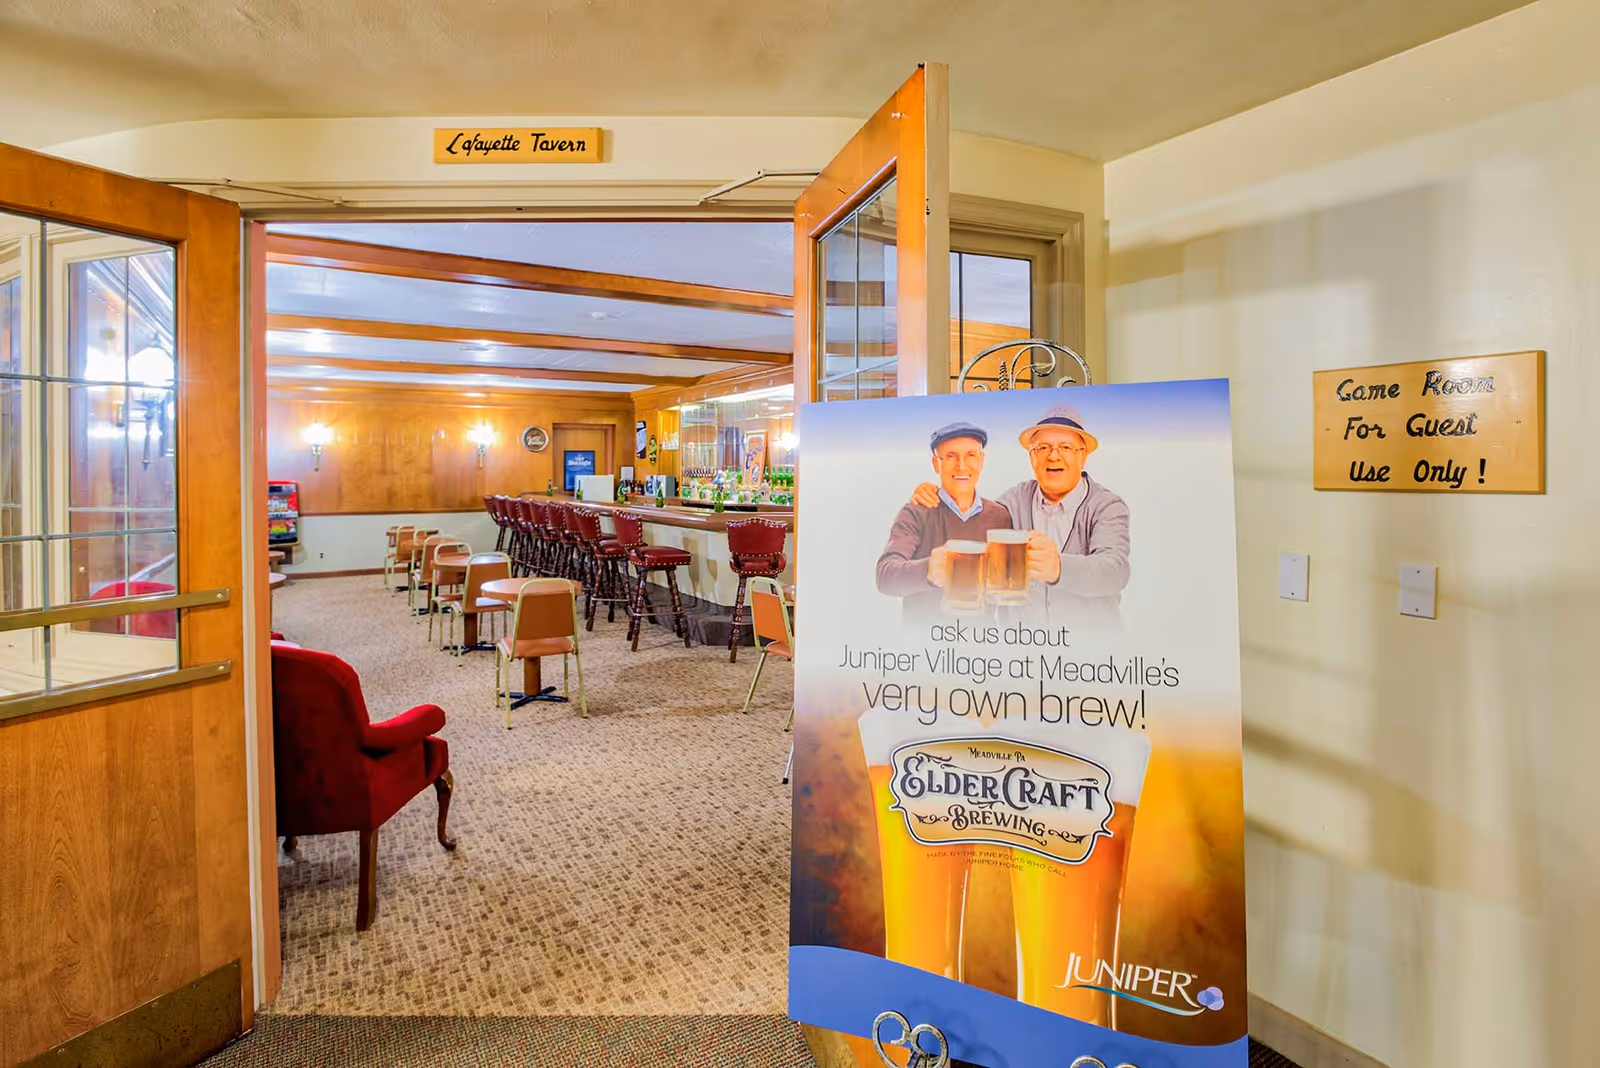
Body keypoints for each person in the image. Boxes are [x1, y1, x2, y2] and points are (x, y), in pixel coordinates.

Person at [910, 404, 1129, 627]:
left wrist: (1059, 568)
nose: (1053, 456)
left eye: (1066, 447)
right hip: (1022, 650)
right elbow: (972, 528)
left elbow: (1116, 570)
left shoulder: (1106, 505)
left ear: (1083, 457)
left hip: (1092, 654)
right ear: (1031, 457)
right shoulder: (1013, 501)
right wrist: (938, 496)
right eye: (1042, 448)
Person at [875, 421, 1012, 621]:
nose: (962, 465)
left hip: (983, 643)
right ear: (935, 464)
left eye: (971, 455)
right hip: (925, 644)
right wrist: (929, 571)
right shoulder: (916, 512)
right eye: (950, 456)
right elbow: (885, 577)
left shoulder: (1000, 516)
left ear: (981, 460)